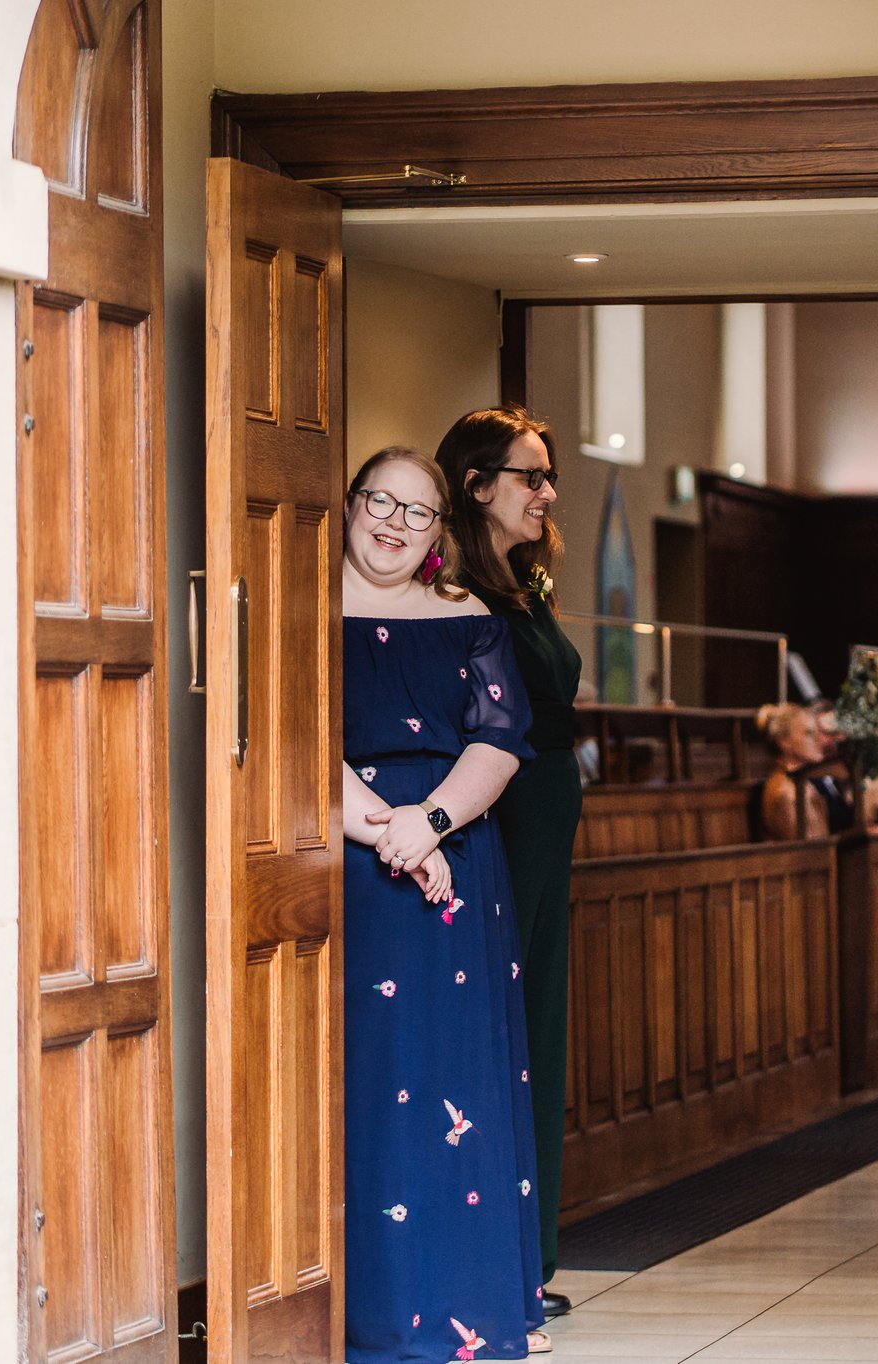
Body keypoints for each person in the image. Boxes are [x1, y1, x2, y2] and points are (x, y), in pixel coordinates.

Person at [340, 446, 551, 1362]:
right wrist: (388, 835)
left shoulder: (467, 618)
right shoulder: (304, 608)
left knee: (457, 1075)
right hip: (351, 865)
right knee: (373, 1080)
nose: (394, 522)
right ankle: (377, 1314)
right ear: (350, 506)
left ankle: (469, 1304)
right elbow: (287, 737)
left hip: (458, 859)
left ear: (437, 532)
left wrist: (427, 826)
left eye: (416, 511)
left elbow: (499, 743)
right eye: (379, 502)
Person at [435, 407, 582, 1314]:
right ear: (477, 485)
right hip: (502, 817)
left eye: (548, 474)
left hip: (546, 816)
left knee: (538, 1021)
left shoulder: (522, 585)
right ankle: (494, 1257)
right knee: (498, 1021)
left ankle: (532, 1254)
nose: (548, 492)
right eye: (532, 476)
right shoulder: (454, 593)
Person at [755, 700, 878, 839]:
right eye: (808, 733)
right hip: (824, 859)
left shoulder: (814, 775)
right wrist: (858, 836)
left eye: (816, 732)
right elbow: (815, 852)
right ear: (784, 742)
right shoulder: (787, 792)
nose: (817, 739)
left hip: (841, 849)